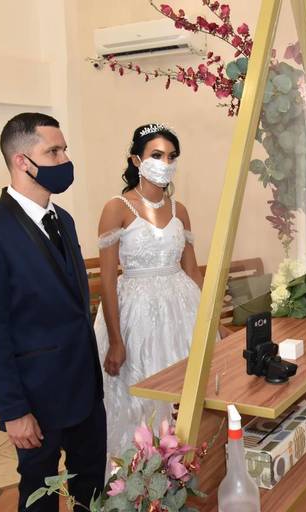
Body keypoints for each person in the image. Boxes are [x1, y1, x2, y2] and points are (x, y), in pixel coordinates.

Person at [0, 113, 106, 512]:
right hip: (37, 396)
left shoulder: (64, 220)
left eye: (64, 150)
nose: (65, 160)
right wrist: (14, 411)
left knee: (92, 485)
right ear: (22, 161)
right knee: (39, 494)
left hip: (85, 388)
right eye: (53, 152)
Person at [94, 123, 207, 473]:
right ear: (136, 160)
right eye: (157, 155)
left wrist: (211, 321)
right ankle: (139, 478)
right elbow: (107, 280)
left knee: (185, 396)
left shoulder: (180, 210)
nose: (165, 163)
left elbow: (192, 270)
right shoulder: (117, 207)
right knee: (140, 398)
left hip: (182, 309)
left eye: (171, 156)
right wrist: (116, 340)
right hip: (136, 314)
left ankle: (182, 471)